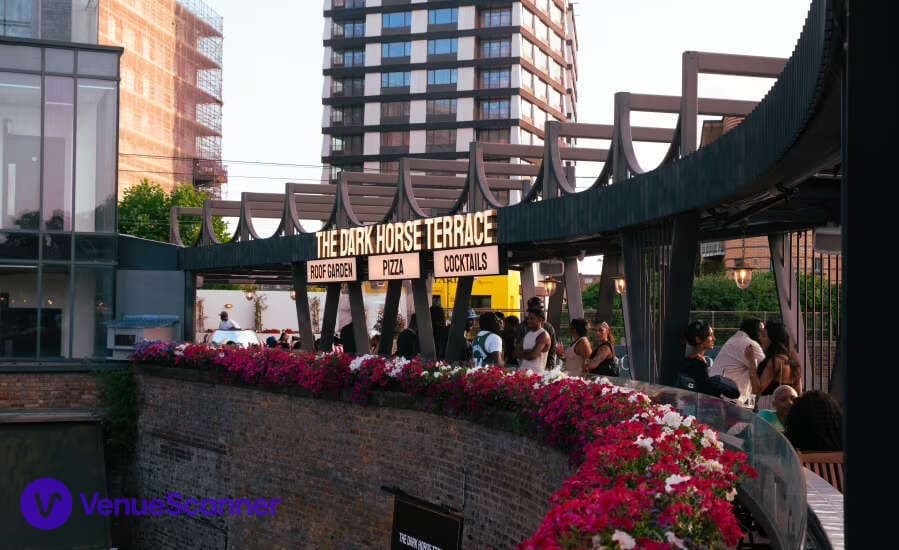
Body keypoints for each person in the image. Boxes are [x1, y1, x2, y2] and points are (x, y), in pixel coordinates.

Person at [709, 318, 768, 408]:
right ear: (754, 330)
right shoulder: (749, 344)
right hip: (729, 399)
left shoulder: (735, 339)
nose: (763, 335)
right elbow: (767, 367)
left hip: (720, 395)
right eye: (761, 331)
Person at [749, 320, 803, 410]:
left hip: (769, 408)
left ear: (773, 339)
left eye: (764, 336)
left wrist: (751, 362)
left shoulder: (774, 362)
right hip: (787, 409)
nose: (760, 339)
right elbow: (799, 392)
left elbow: (757, 390)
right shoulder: (792, 362)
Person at [516, 297, 557, 370]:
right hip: (523, 368)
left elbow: (552, 350)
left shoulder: (548, 329)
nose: (529, 320)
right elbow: (517, 352)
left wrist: (550, 367)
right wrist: (528, 353)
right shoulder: (523, 327)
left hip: (541, 369)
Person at [679, 320, 715, 394]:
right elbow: (707, 392)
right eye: (710, 335)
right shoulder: (699, 364)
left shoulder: (686, 361)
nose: (714, 338)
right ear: (698, 339)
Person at [515, 307, 551, 375]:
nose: (528, 321)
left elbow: (532, 356)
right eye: (528, 318)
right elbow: (517, 353)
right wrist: (528, 352)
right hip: (522, 373)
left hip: (536, 375)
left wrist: (524, 353)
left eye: (532, 318)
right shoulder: (527, 334)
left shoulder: (543, 335)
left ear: (540, 319)